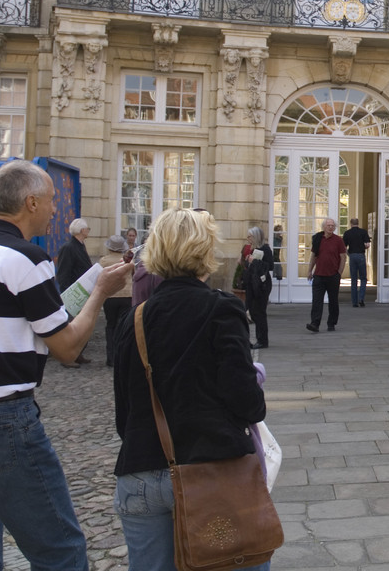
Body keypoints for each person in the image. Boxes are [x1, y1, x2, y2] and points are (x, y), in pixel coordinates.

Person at [0, 159, 131, 570]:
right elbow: (67, 349)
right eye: (51, 202)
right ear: (30, 203)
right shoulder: (27, 259)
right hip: (1, 421)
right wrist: (100, 291)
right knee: (59, 549)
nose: (55, 211)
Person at [112, 208, 268, 570]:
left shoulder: (133, 319)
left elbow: (124, 413)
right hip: (214, 470)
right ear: (205, 251)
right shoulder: (222, 309)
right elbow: (247, 403)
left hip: (142, 471)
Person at [56, 217, 95, 367]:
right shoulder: (69, 248)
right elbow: (63, 273)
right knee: (73, 326)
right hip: (73, 292)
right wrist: (66, 292)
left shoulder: (80, 246)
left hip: (82, 291)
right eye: (87, 229)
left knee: (81, 325)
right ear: (81, 230)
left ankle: (78, 354)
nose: (88, 231)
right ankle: (68, 357)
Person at [307, 217, 347, 332]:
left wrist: (339, 272)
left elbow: (343, 257)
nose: (331, 227)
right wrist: (310, 271)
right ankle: (315, 323)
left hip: (333, 275)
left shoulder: (338, 240)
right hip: (319, 275)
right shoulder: (318, 239)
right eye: (328, 225)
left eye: (332, 226)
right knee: (317, 301)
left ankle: (331, 323)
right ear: (324, 227)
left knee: (333, 301)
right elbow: (313, 256)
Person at [100, 233, 134, 367]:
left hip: (110, 296)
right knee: (123, 326)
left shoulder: (103, 261)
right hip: (126, 295)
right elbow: (133, 274)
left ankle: (111, 357)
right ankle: (121, 356)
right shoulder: (127, 261)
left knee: (111, 325)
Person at [244, 226, 274, 348]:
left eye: (250, 236)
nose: (248, 238)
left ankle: (262, 340)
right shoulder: (252, 249)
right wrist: (248, 261)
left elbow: (269, 266)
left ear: (256, 237)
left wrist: (254, 261)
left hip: (262, 285)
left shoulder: (265, 249)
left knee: (259, 312)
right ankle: (257, 338)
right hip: (252, 284)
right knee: (251, 311)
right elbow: (250, 267)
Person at [343, 218, 371, 307]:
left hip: (352, 256)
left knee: (354, 279)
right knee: (363, 278)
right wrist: (362, 248)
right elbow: (367, 245)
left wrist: (349, 254)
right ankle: (361, 298)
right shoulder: (363, 232)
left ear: (351, 223)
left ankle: (354, 302)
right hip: (361, 255)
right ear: (358, 223)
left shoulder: (347, 233)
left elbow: (343, 247)